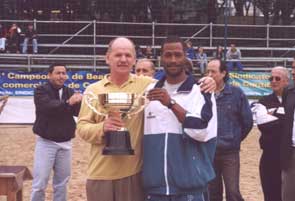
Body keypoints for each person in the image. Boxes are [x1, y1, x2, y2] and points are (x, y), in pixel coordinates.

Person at [76, 37, 216, 201]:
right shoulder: (93, 90)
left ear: (134, 60)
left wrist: (210, 81)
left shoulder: (148, 86)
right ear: (107, 58)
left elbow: (176, 82)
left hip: (134, 174)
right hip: (100, 172)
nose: (123, 59)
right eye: (118, 55)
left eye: (128, 55)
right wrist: (102, 128)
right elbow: (82, 127)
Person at [142, 36, 217, 201]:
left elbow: (201, 131)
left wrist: (171, 104)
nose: (173, 60)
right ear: (161, 57)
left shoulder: (201, 91)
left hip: (189, 190)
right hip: (155, 190)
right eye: (168, 55)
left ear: (186, 57)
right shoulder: (148, 91)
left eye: (178, 55)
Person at [30, 63, 82, 201]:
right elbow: (48, 107)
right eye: (58, 73)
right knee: (39, 183)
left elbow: (77, 113)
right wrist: (68, 103)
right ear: (49, 75)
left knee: (62, 184)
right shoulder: (40, 90)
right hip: (46, 143)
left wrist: (82, 102)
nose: (61, 76)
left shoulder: (70, 91)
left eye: (64, 73)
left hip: (66, 143)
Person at [206, 58, 253, 201]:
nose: (209, 75)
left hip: (229, 152)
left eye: (213, 71)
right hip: (208, 151)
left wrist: (234, 138)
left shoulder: (236, 94)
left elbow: (247, 122)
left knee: (233, 192)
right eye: (207, 71)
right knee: (212, 192)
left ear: (223, 73)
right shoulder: (202, 94)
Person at [252, 66, 289, 201]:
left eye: (277, 78)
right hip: (269, 156)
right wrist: (286, 118)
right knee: (270, 195)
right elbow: (263, 124)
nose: (273, 81)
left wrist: (274, 113)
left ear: (286, 81)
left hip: (290, 155)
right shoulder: (263, 101)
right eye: (271, 78)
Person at [280, 62, 295, 201]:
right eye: (292, 68)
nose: (293, 72)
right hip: (292, 151)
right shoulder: (288, 91)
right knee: (289, 195)